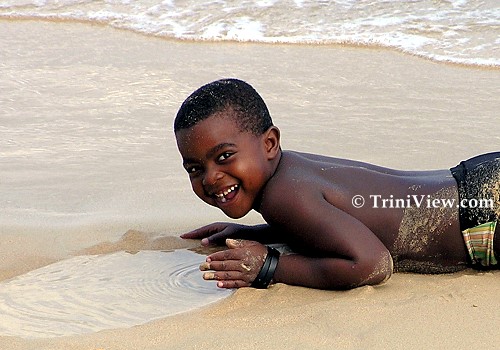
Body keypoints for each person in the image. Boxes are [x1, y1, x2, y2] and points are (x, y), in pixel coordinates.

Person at [174, 78, 499, 290]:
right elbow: (335, 218)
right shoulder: (293, 171)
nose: (210, 177)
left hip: (482, 217)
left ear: (270, 144)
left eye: (225, 156)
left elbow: (372, 263)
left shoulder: (284, 198)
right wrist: (258, 233)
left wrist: (268, 266)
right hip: (474, 182)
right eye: (194, 168)